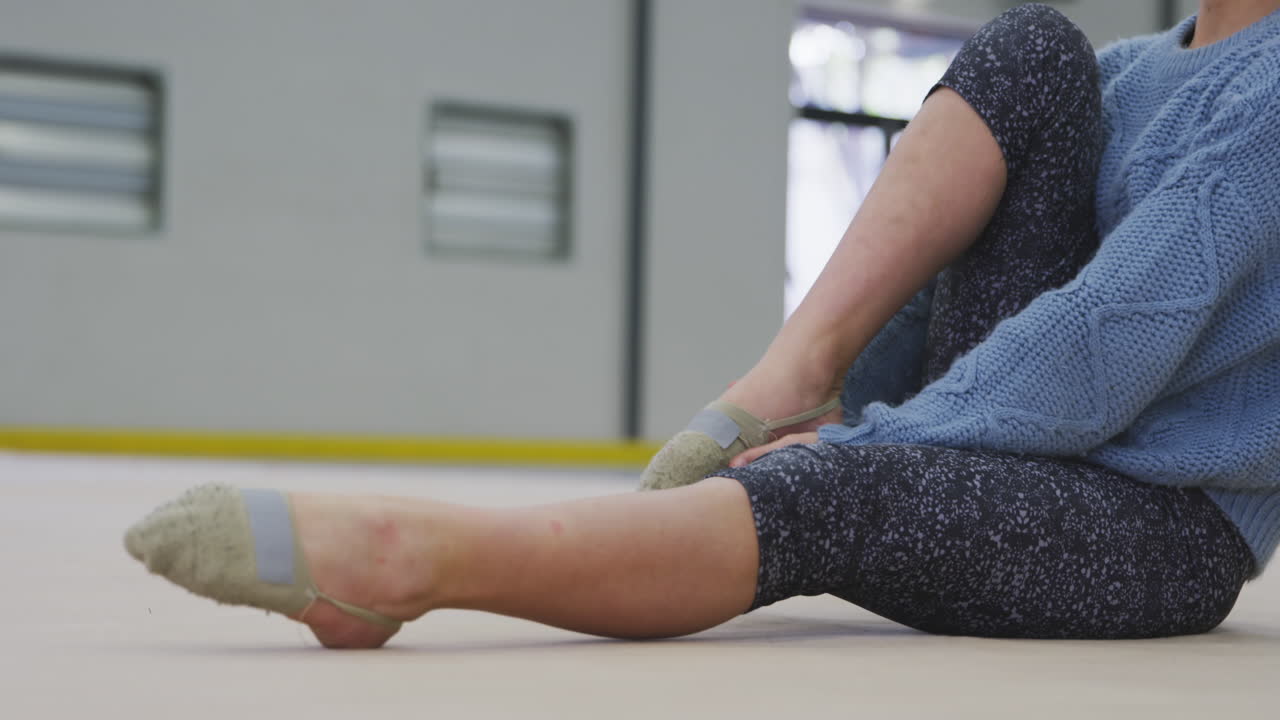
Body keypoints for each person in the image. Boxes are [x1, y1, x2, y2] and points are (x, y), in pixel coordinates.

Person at [125, 1, 1280, 649]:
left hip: (1156, 524)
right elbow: (950, 289)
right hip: (1017, 431)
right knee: (1032, 49)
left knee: (837, 495)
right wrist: (844, 404)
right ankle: (788, 375)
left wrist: (862, 446)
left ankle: (413, 558)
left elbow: (1104, 343)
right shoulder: (1133, 69)